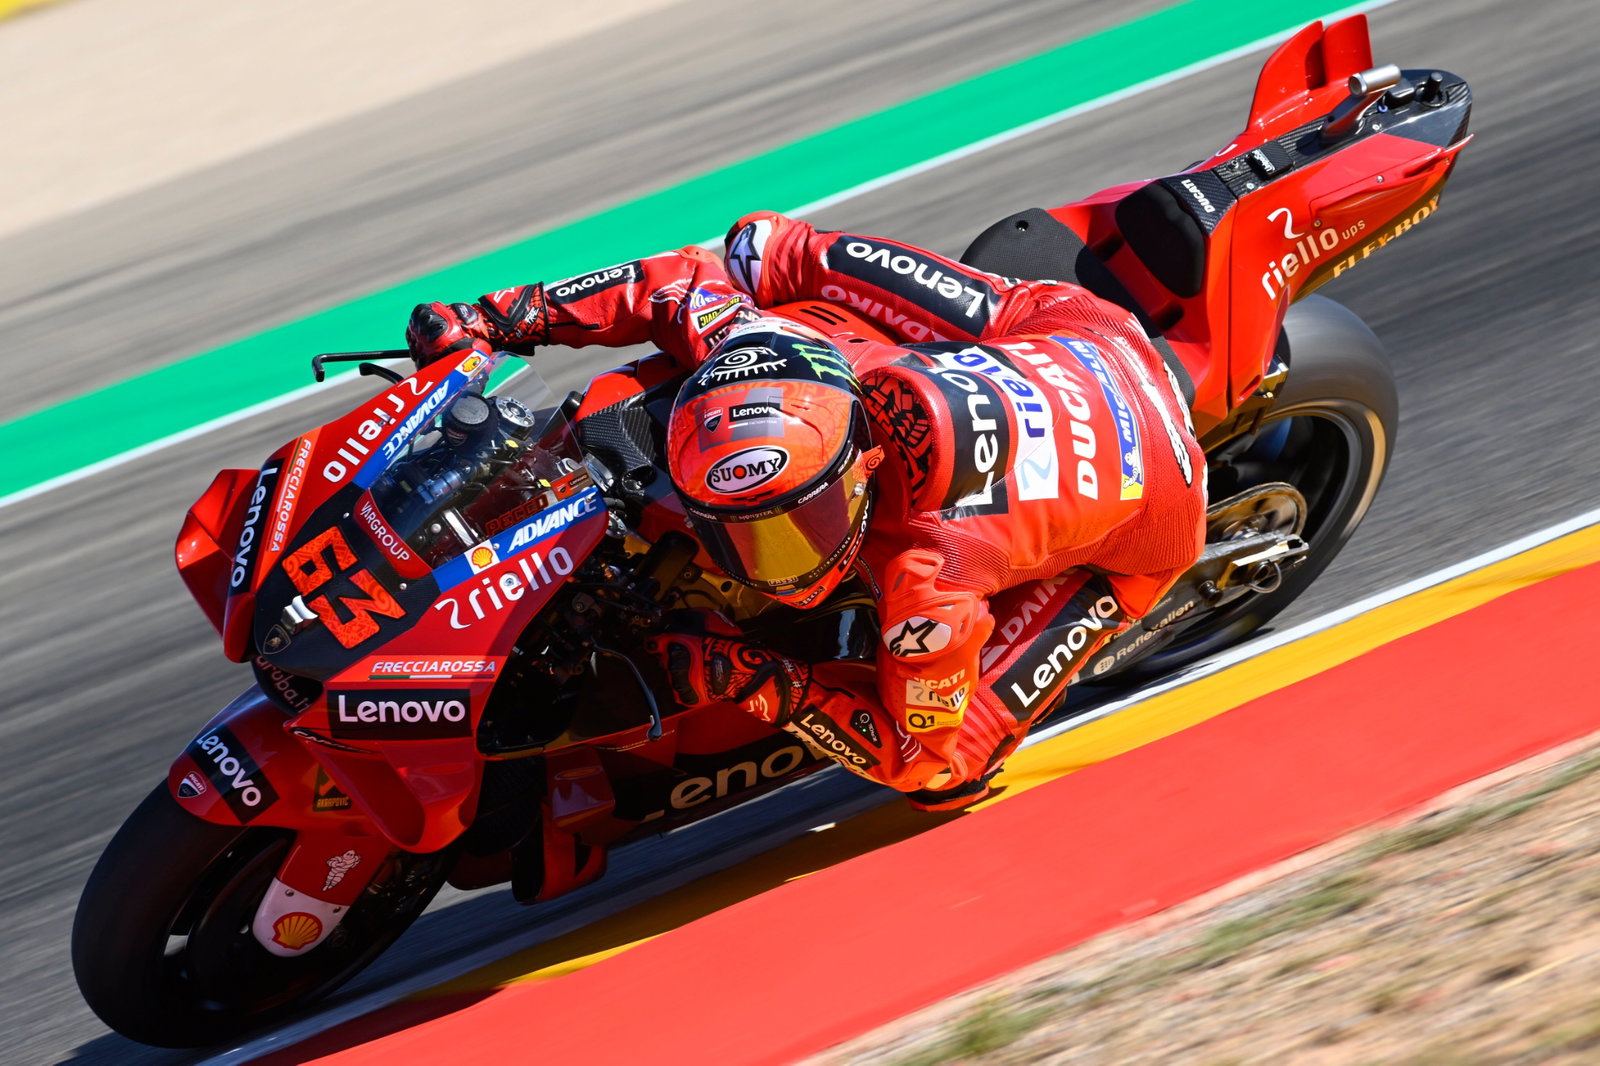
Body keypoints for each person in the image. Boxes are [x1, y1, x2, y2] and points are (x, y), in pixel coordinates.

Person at [406, 211, 1207, 810]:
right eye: (737, 533)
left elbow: (917, 750)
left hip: (1152, 490)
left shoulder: (931, 584)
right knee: (762, 247)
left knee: (947, 778)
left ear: (855, 471)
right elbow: (677, 282)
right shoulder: (767, 354)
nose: (764, 560)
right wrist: (498, 319)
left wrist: (756, 676)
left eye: (793, 528)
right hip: (1055, 337)